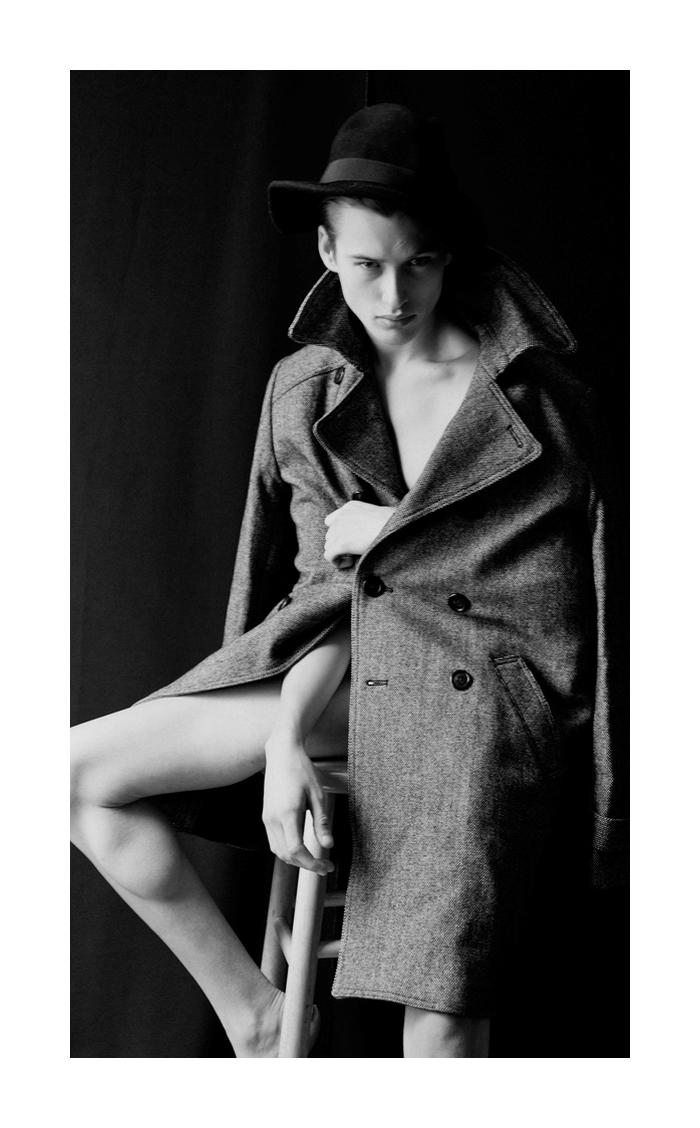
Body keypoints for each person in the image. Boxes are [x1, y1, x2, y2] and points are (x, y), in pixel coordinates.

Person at [70, 103, 627, 1058]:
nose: (395, 293)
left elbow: (551, 604)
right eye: (367, 264)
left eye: (419, 262)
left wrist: (390, 534)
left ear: (449, 252)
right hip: (349, 672)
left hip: (487, 693)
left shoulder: (537, 395)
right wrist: (286, 735)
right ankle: (255, 1020)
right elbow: (333, 594)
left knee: (441, 1029)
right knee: (78, 775)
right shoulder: (307, 390)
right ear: (327, 252)